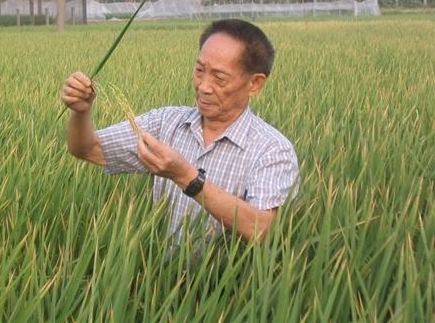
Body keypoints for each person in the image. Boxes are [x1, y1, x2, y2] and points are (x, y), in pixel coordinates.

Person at [61, 19, 298, 242]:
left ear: (254, 83)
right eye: (199, 71)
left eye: (219, 78)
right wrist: (81, 112)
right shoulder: (166, 122)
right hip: (161, 280)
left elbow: (262, 230)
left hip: (230, 283)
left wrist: (185, 176)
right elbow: (87, 149)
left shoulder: (272, 149)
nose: (203, 87)